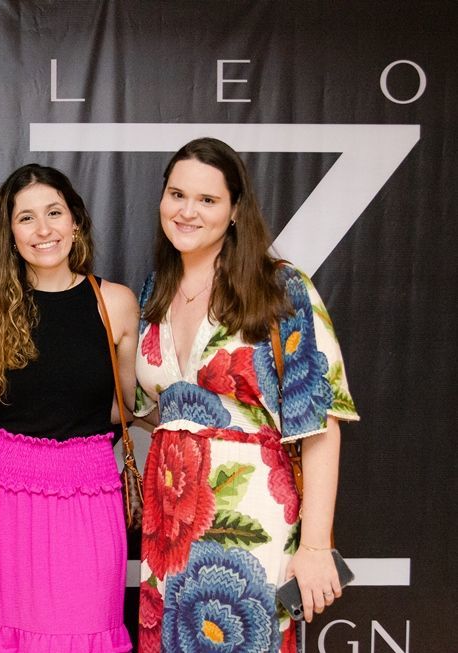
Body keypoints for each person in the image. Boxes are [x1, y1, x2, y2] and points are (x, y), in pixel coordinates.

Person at [133, 137, 360, 652]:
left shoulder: (281, 290)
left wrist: (317, 544)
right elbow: (150, 411)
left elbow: (320, 423)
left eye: (208, 200)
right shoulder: (154, 293)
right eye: (177, 194)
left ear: (236, 211)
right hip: (169, 518)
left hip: (252, 516)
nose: (187, 211)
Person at [0, 164, 137, 653]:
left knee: (83, 632)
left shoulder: (114, 303)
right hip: (3, 504)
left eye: (54, 213)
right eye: (26, 218)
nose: (43, 230)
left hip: (89, 497)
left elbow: (125, 406)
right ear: (9, 233)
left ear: (74, 221)